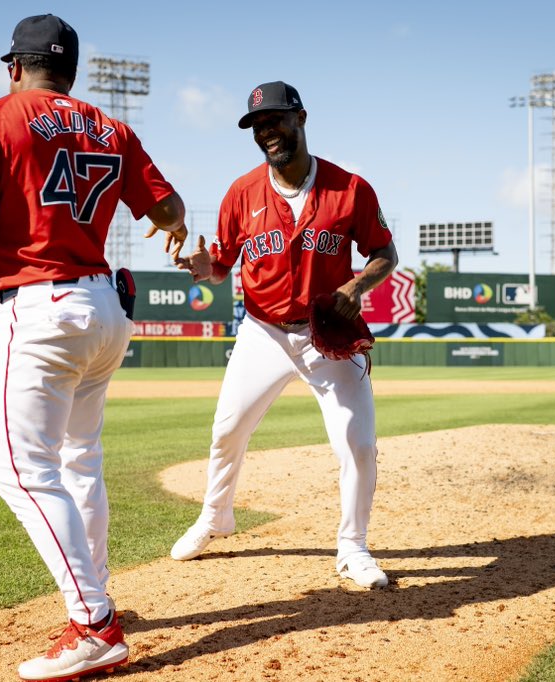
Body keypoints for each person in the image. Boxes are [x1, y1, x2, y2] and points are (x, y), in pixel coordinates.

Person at [0, 14, 187, 681]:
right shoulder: (112, 128)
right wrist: (175, 229)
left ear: (15, 66)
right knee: (78, 459)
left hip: (43, 308)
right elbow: (169, 208)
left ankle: (95, 624)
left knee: (21, 472)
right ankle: (95, 591)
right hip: (104, 308)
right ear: (70, 72)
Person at [171, 81, 399, 589]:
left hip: (326, 334)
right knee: (227, 430)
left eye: (275, 119)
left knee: (358, 443)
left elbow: (386, 254)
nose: (267, 131)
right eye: (257, 125)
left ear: (300, 117)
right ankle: (216, 517)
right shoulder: (241, 193)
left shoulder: (350, 188)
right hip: (263, 331)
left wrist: (359, 284)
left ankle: (353, 545)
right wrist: (201, 265)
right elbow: (220, 265)